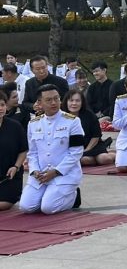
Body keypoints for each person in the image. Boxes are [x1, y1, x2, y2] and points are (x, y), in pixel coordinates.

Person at [19, 85, 85, 214]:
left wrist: (56, 172)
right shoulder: (33, 124)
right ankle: (49, 195)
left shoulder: (73, 121)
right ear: (40, 103)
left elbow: (76, 152)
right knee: (26, 207)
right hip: (41, 174)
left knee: (48, 208)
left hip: (64, 174)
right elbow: (32, 152)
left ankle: (73, 196)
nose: (54, 103)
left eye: (56, 98)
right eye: (49, 100)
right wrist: (35, 170)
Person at [64, 89, 111, 167]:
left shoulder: (90, 115)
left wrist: (86, 150)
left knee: (104, 159)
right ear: (66, 102)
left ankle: (115, 154)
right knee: (84, 160)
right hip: (73, 149)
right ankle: (94, 159)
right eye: (71, 100)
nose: (74, 103)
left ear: (82, 102)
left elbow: (96, 136)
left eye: (77, 101)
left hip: (92, 146)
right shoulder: (62, 116)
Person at [0, 89, 28, 211]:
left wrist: (16, 167)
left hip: (10, 175)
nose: (0, 108)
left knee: (5, 203)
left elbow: (23, 150)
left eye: (2, 105)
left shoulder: (15, 126)